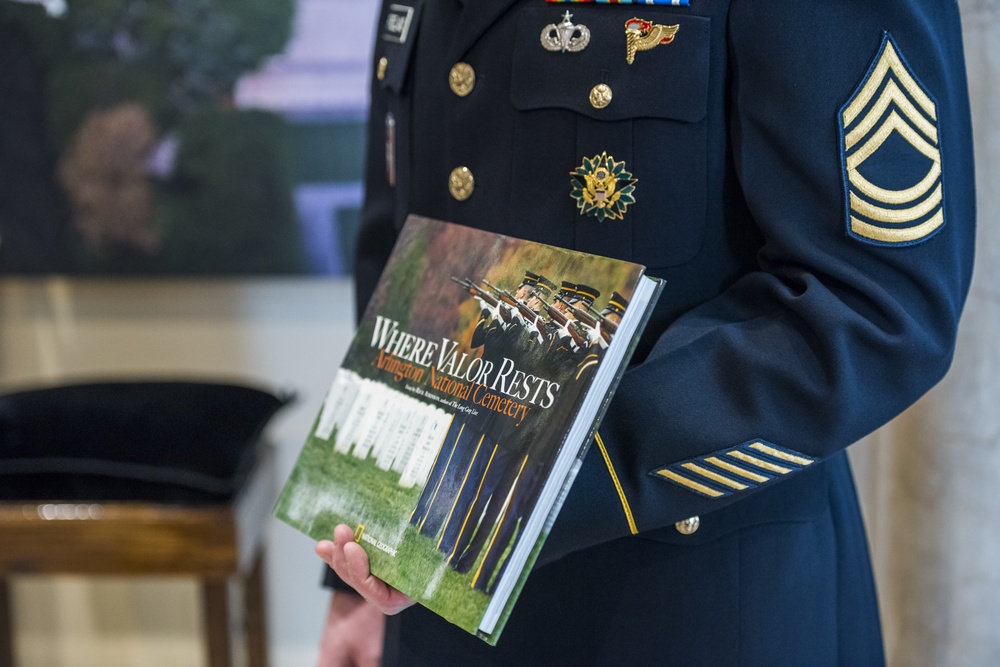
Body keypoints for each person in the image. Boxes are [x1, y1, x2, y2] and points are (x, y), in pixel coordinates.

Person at [316, 1, 975, 665]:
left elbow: (871, 305)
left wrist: (540, 481)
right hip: (433, 587)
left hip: (694, 601)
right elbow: (401, 239)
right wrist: (357, 576)